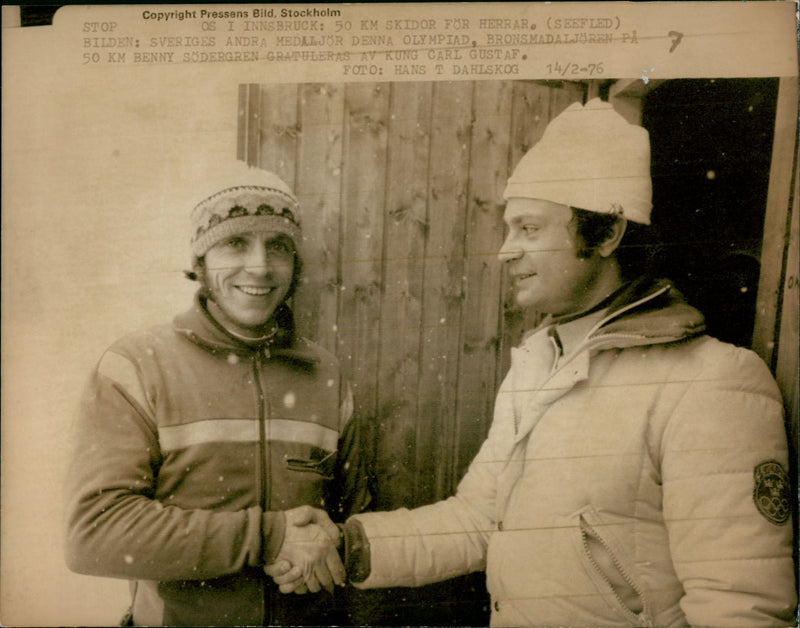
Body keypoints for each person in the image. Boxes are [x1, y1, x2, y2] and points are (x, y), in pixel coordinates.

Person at [271, 99, 797, 627]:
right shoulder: (536, 363)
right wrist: (345, 543)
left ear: (607, 234)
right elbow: (480, 518)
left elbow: (740, 605)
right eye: (508, 229)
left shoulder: (711, 382)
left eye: (528, 229)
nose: (505, 252)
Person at [64, 166, 369, 626]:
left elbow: (357, 521)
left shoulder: (325, 374)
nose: (261, 266)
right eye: (236, 243)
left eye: (278, 246)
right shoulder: (137, 367)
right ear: (200, 260)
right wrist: (269, 537)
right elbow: (94, 533)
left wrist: (329, 547)